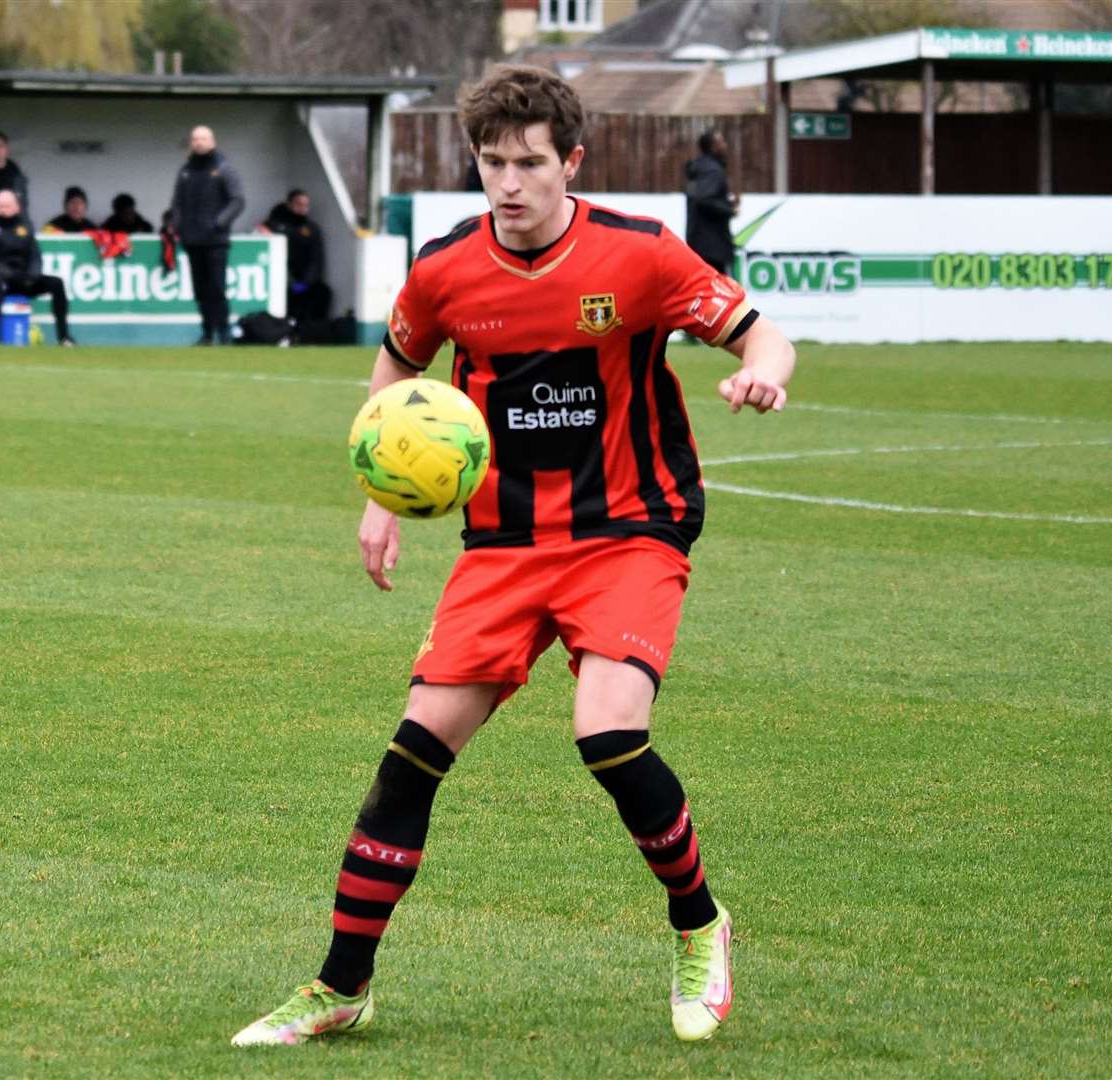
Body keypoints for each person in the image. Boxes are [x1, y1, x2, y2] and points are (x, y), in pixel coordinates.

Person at [231, 65, 795, 1050]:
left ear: (570, 161)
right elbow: (396, 371)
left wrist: (761, 375)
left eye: (530, 163)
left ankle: (700, 925)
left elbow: (761, 334)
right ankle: (339, 987)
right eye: (492, 163)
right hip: (501, 547)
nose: (509, 183)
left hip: (628, 531)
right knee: (411, 757)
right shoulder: (447, 271)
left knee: (607, 733)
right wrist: (382, 495)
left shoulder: (640, 257)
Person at [169, 124, 245, 345]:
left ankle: (223, 332)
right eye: (195, 139)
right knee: (200, 290)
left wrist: (218, 223)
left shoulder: (224, 169)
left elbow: (238, 201)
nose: (198, 143)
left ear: (212, 141)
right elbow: (177, 203)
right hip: (192, 240)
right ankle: (207, 332)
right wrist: (178, 224)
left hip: (215, 242)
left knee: (217, 289)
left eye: (203, 139)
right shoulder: (185, 171)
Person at [0, 189, 75, 346]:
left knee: (56, 283)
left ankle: (64, 337)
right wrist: (9, 274)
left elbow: (35, 254)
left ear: (16, 207)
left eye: (7, 206)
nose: (3, 210)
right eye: (0, 206)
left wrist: (33, 275)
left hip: (22, 278)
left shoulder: (24, 226)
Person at [259, 188, 329, 324]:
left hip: (303, 280)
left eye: (305, 205)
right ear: (289, 204)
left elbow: (316, 259)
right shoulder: (274, 225)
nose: (303, 208)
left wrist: (306, 282)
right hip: (281, 279)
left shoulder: (312, 228)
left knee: (322, 293)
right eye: (299, 204)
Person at [684, 130, 738, 275]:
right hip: (713, 247)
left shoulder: (699, 169)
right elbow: (704, 198)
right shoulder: (713, 171)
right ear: (713, 147)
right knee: (718, 290)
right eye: (722, 142)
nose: (725, 145)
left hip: (698, 242)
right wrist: (729, 209)